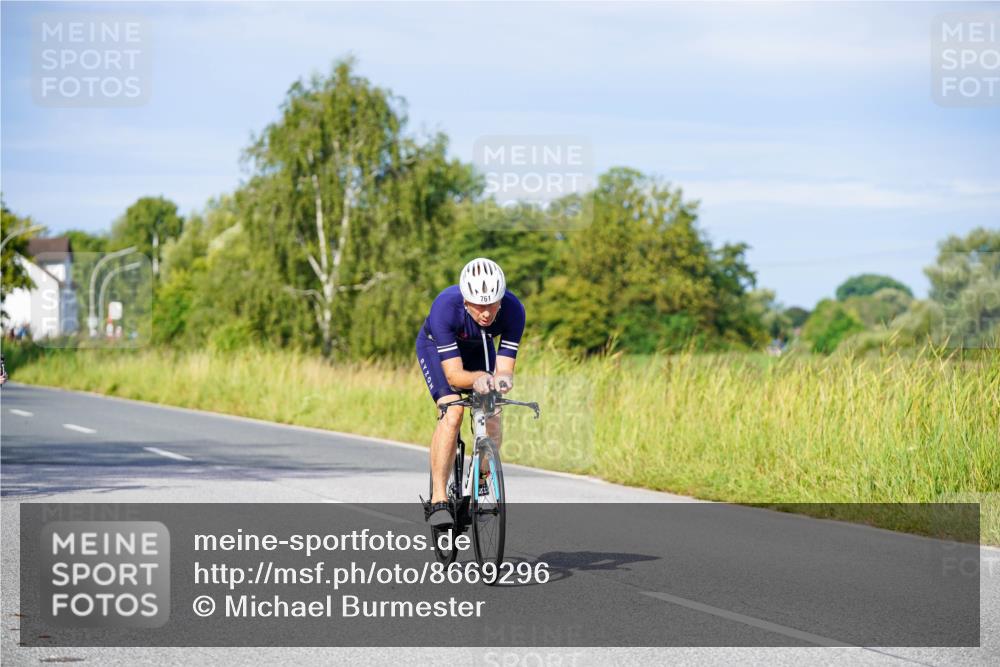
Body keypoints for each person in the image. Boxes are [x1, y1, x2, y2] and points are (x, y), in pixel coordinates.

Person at [416, 258, 525, 527]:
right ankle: (438, 498)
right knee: (452, 412)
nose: (486, 312)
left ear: (502, 299)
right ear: (466, 301)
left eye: (492, 304)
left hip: (480, 348)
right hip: (438, 349)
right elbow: (454, 375)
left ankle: (480, 477)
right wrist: (478, 378)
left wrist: (498, 385)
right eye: (479, 305)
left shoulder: (514, 311)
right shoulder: (445, 307)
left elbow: (505, 371)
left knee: (493, 413)